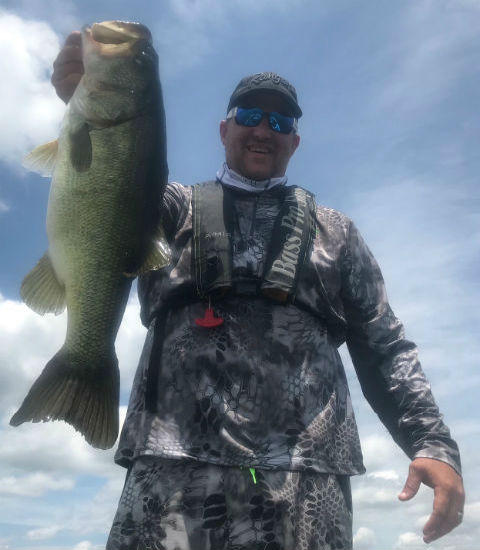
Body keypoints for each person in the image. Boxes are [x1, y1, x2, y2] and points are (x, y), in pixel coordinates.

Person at [52, 32, 465, 550]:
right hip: (171, 467)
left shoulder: (337, 231)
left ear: (295, 141)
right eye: (249, 116)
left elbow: (385, 345)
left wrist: (433, 443)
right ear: (224, 129)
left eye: (281, 122)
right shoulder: (168, 207)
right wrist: (86, 105)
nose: (263, 130)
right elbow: (108, 188)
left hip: (305, 480)